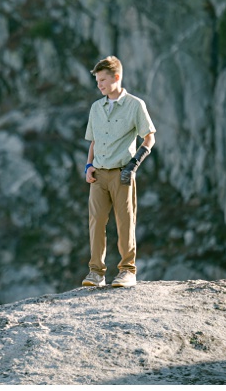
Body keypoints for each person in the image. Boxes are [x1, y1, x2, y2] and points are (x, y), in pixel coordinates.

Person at [81, 55, 156, 288]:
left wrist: (134, 165)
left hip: (123, 173)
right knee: (96, 222)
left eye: (103, 80)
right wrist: (88, 166)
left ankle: (127, 271)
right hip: (98, 175)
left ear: (117, 77)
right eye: (97, 81)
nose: (100, 85)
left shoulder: (135, 105)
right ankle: (96, 273)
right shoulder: (96, 107)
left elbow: (149, 138)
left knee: (125, 222)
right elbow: (93, 141)